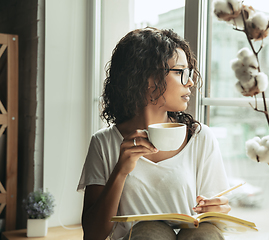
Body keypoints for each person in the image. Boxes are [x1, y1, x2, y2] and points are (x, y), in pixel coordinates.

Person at [77, 27, 230, 240]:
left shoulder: (201, 137)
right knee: (149, 233)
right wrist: (121, 170)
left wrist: (219, 210)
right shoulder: (104, 143)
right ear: (147, 78)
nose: (190, 82)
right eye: (180, 72)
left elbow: (215, 215)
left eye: (190, 72)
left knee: (205, 233)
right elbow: (93, 234)